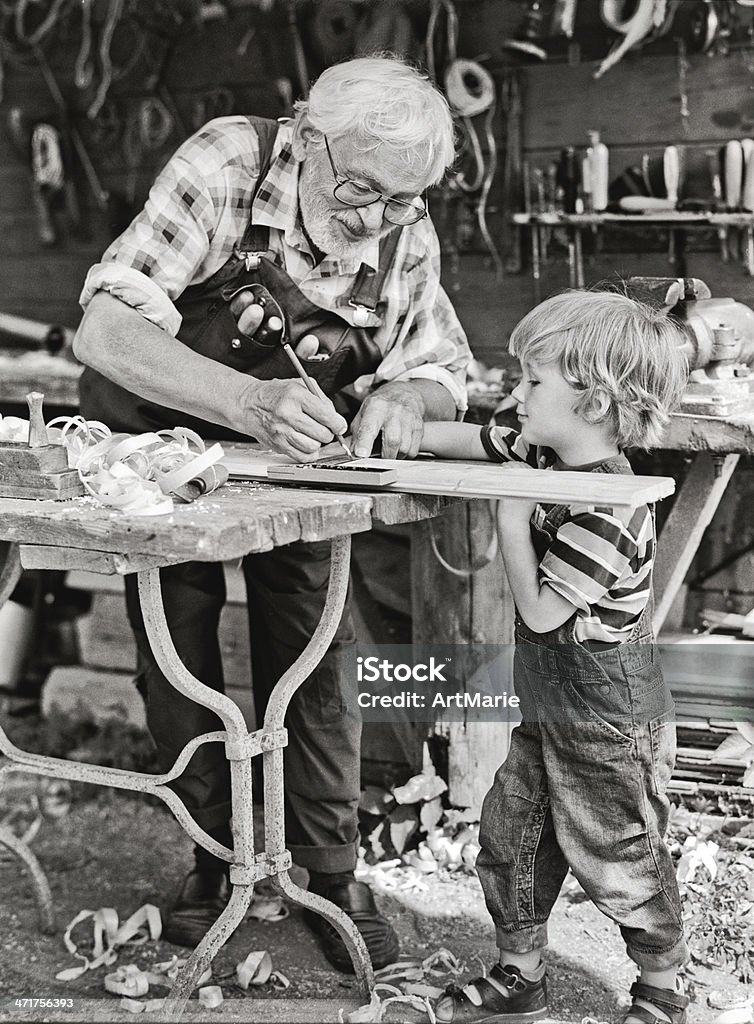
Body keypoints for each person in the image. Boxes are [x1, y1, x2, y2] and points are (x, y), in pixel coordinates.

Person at [72, 55, 471, 971]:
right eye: (360, 187)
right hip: (167, 462)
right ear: (306, 132)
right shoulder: (225, 165)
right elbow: (107, 326)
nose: (375, 219)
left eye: (402, 200)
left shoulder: (403, 223)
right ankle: (214, 856)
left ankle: (329, 870)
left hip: (302, 471)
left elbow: (444, 363)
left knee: (323, 652)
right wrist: (245, 404)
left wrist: (411, 397)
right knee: (178, 649)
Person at [420, 290, 690, 1024]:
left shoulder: (610, 507)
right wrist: (402, 435)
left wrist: (509, 513)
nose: (517, 395)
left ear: (595, 403)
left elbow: (541, 608)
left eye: (533, 382)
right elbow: (479, 441)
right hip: (547, 703)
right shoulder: (541, 451)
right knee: (512, 834)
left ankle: (664, 987)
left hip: (609, 718)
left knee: (619, 857)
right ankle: (520, 977)